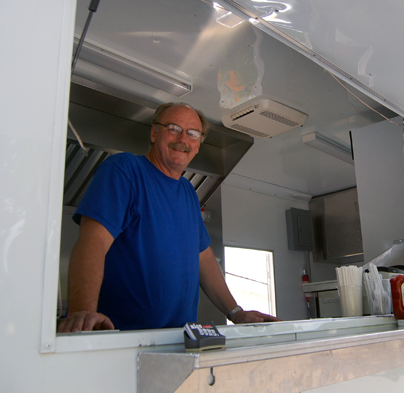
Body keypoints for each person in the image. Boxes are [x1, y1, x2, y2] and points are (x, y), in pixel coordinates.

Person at [58, 102, 279, 332]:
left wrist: (236, 313)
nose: (183, 139)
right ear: (154, 134)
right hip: (122, 336)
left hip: (179, 338)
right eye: (173, 128)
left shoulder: (188, 192)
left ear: (198, 146)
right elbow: (93, 241)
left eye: (192, 134)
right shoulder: (125, 170)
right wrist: (82, 310)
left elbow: (203, 259)